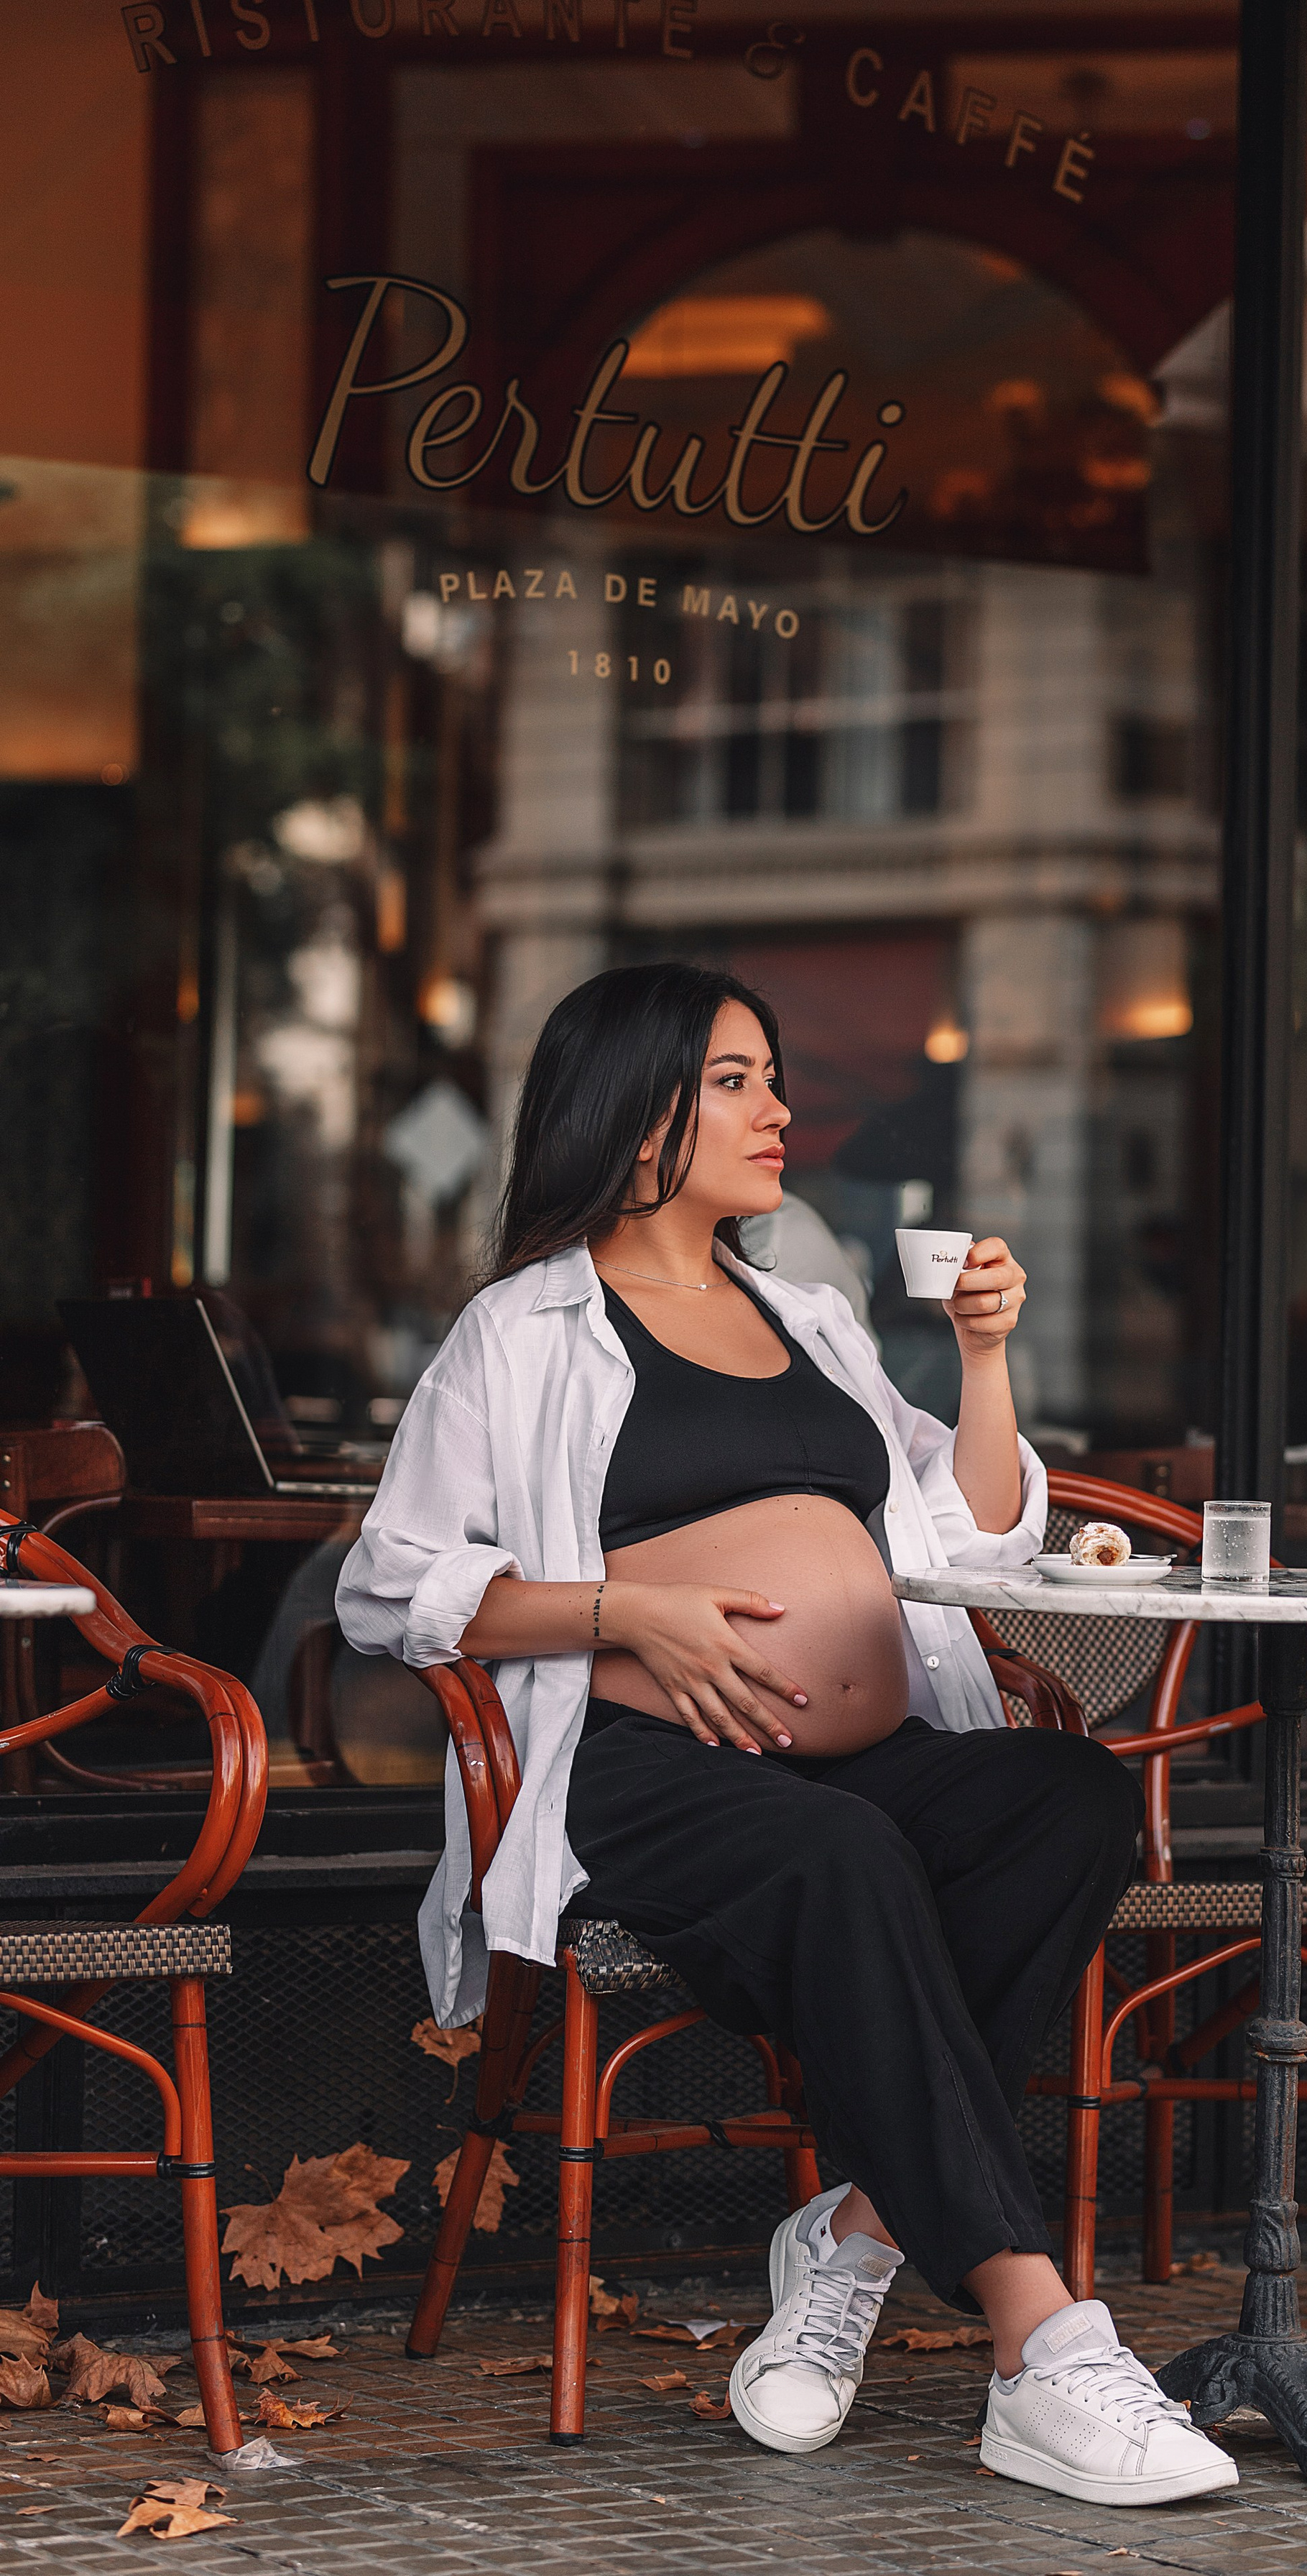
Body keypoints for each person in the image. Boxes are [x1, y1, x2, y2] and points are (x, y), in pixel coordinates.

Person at [336, 962, 1236, 2511]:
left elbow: (974, 1533)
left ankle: (862, 2234)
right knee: (847, 1853)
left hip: (849, 1755)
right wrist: (625, 1611)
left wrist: (984, 1357)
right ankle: (1040, 2338)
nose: (782, 1110)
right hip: (639, 1771)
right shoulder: (523, 1330)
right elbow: (390, 1585)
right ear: (639, 1119)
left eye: (770, 1078)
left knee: (1066, 1798)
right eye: (741, 1080)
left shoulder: (808, 1316)